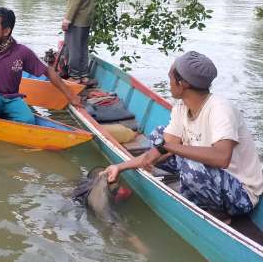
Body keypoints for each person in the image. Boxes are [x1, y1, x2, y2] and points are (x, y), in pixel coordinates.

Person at [105, 51, 263, 218]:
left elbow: (222, 157)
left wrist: (168, 147)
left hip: (240, 195)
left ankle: (220, 215)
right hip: (210, 176)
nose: (169, 83)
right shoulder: (181, 107)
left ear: (183, 84)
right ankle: (192, 188)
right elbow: (157, 151)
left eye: (171, 79)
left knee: (190, 164)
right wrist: (119, 167)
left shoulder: (220, 109)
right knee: (158, 136)